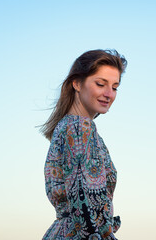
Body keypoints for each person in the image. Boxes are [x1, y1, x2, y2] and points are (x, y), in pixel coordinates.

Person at [40, 49, 127, 240]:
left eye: (114, 87)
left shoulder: (67, 126)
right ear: (77, 83)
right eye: (100, 84)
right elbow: (86, 206)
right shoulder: (80, 127)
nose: (109, 94)